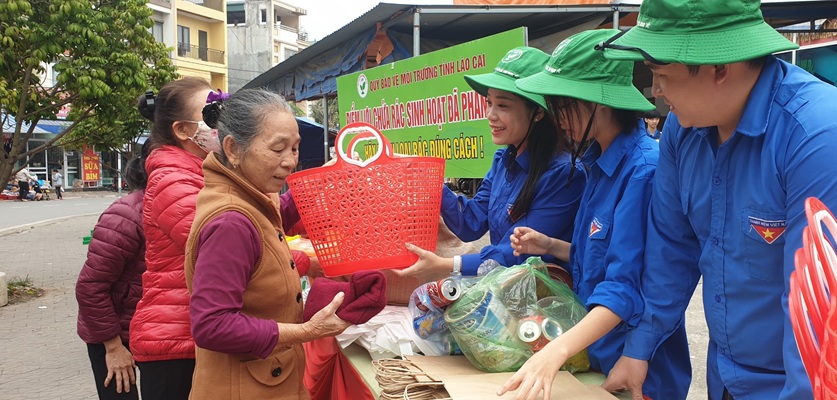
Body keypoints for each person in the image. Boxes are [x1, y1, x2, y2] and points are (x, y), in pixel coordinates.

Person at [596, 1, 837, 399]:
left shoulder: (815, 136)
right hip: (726, 376)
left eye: (661, 75)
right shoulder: (682, 131)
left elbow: (818, 315)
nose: (655, 91)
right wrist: (639, 350)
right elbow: (671, 249)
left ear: (719, 67)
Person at [497, 29, 691, 400]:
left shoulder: (642, 171)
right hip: (598, 352)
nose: (558, 118)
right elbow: (601, 257)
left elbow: (626, 284)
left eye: (565, 104)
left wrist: (556, 351)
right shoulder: (594, 162)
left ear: (601, 102)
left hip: (637, 368)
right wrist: (552, 245)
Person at [183, 88, 350, 398]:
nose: (290, 161)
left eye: (296, 148)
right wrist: (306, 332)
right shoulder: (231, 222)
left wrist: (323, 183)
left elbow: (272, 215)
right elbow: (212, 325)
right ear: (233, 149)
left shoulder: (250, 194)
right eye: (278, 149)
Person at [395, 46, 585, 283]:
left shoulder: (564, 175)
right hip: (502, 288)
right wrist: (428, 181)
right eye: (489, 103)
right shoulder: (503, 161)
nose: (490, 115)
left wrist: (446, 265)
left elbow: (516, 254)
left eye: (503, 105)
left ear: (537, 113)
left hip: (543, 300)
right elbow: (471, 223)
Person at [129, 77, 220, 400]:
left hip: (192, 335)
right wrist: (305, 263)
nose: (223, 123)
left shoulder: (205, 172)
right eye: (212, 115)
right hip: (174, 343)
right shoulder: (173, 180)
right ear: (183, 130)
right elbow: (221, 249)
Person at [76, 147, 149, 400]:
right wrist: (113, 346)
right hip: (111, 332)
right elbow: (90, 287)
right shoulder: (126, 215)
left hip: (151, 330)